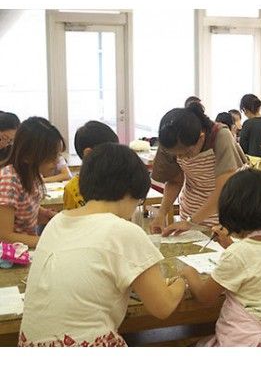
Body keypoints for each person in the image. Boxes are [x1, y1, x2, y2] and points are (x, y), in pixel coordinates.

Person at [19, 143, 186, 347]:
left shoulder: (57, 221)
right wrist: (182, 280)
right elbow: (163, 307)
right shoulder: (123, 230)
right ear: (130, 191)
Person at [181, 169, 261, 346]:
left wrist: (189, 273)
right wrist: (230, 244)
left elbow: (205, 297)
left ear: (232, 212)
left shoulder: (238, 254)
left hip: (240, 339)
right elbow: (254, 261)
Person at [150, 102, 247, 236]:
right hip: (193, 205)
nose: (181, 157)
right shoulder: (170, 140)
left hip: (229, 206)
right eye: (176, 155)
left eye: (186, 153)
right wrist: (161, 214)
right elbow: (174, 181)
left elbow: (224, 189)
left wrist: (191, 222)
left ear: (201, 137)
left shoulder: (221, 136)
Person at [0, 117, 64, 248]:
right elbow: (4, 236)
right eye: (52, 157)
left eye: (58, 155)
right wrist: (46, 242)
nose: (57, 162)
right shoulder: (9, 180)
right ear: (28, 157)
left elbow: (22, 208)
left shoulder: (32, 175)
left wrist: (44, 213)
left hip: (26, 248)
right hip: (10, 256)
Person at [63, 120, 119, 210]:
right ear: (88, 153)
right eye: (111, 151)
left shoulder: (119, 180)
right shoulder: (73, 189)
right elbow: (70, 221)